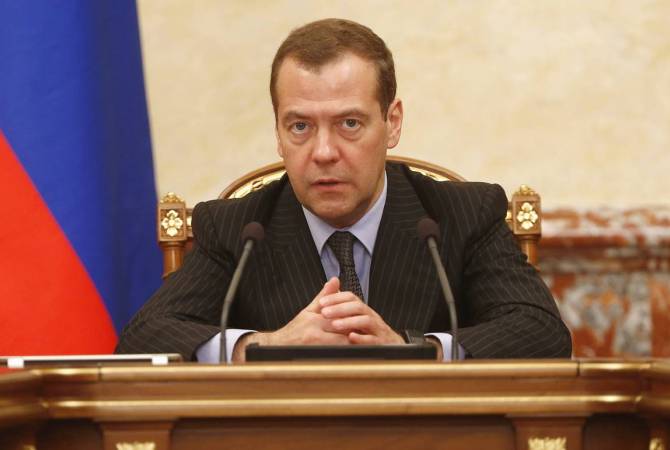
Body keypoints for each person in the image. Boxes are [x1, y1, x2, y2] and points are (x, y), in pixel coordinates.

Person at [116, 18, 572, 362]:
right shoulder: (238, 228)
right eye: (300, 126)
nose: (323, 152)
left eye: (349, 123)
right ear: (278, 132)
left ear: (392, 123)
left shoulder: (462, 215)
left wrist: (414, 351)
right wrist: (263, 346)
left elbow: (540, 332)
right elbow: (143, 338)